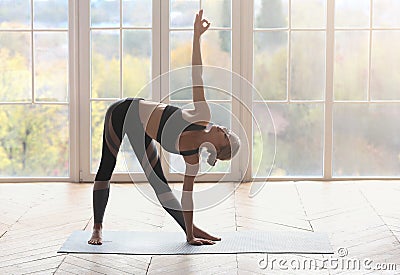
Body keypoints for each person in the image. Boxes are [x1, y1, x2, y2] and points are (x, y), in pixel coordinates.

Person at [88, 10, 240, 246]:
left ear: (220, 147)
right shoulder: (201, 116)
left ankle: (192, 229)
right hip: (123, 113)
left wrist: (189, 236)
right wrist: (196, 37)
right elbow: (196, 74)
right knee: (107, 165)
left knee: (161, 187)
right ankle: (97, 227)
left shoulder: (193, 160)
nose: (224, 129)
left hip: (142, 132)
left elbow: (187, 197)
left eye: (227, 135)